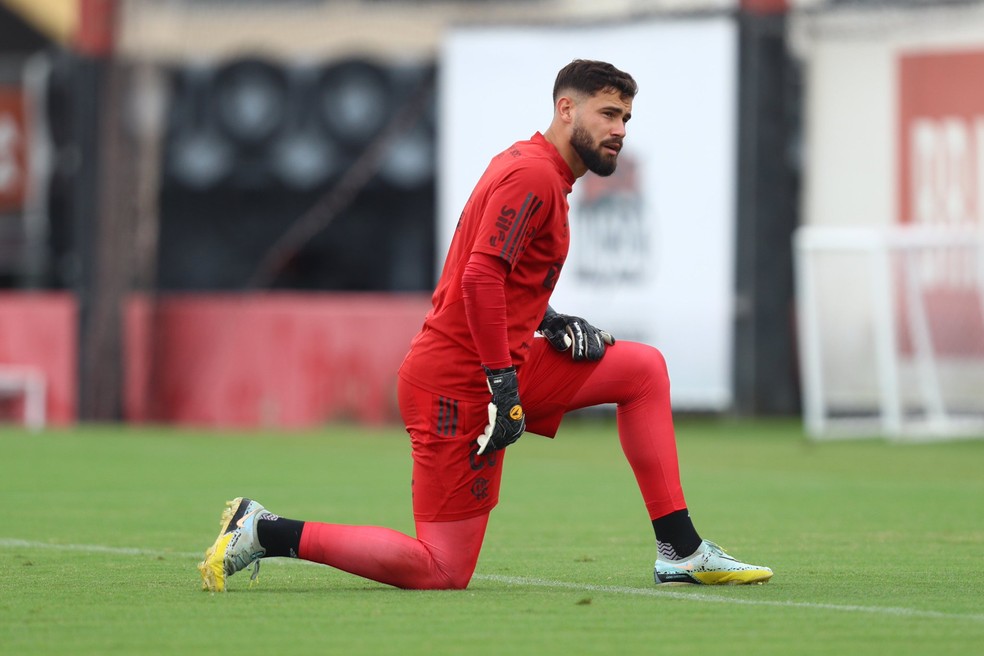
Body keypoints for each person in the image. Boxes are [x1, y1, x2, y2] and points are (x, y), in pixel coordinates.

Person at [198, 59, 772, 592]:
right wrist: (501, 381)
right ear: (565, 110)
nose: (619, 128)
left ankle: (680, 548)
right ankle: (264, 530)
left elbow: (496, 272)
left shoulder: (532, 166)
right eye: (607, 113)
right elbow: (478, 279)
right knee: (442, 568)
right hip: (458, 382)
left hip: (502, 362)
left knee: (642, 370)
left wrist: (551, 320)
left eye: (625, 117)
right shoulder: (534, 177)